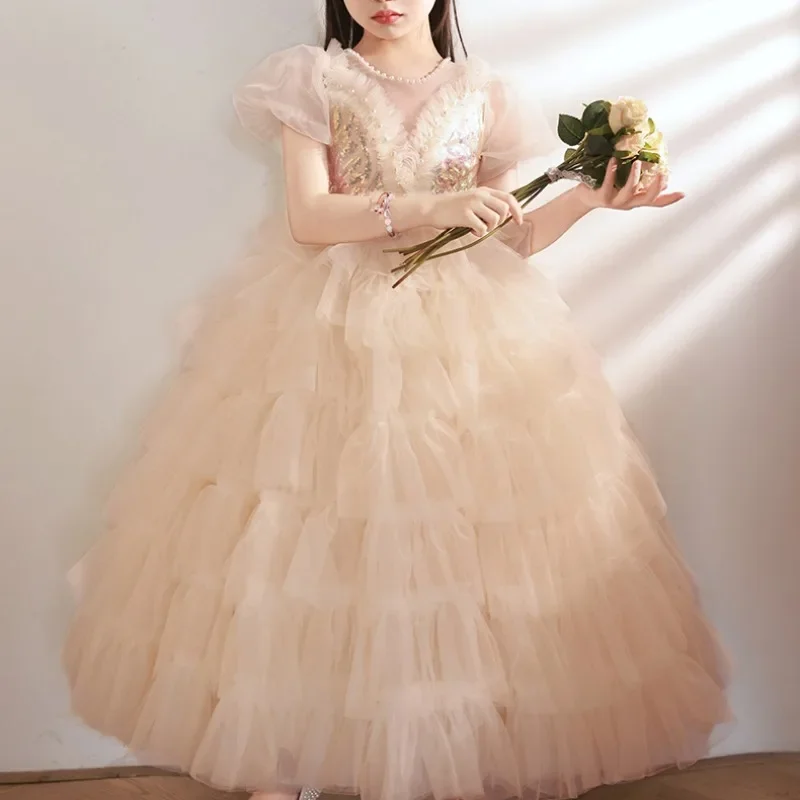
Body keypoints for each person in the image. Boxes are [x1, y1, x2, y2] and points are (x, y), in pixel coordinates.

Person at [63, 1, 731, 799]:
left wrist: (590, 199)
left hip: (468, 337)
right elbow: (311, 218)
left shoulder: (485, 93)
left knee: (460, 538)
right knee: (308, 531)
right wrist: (426, 207)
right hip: (327, 327)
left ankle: (449, 747)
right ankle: (288, 751)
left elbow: (505, 235)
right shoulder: (315, 78)